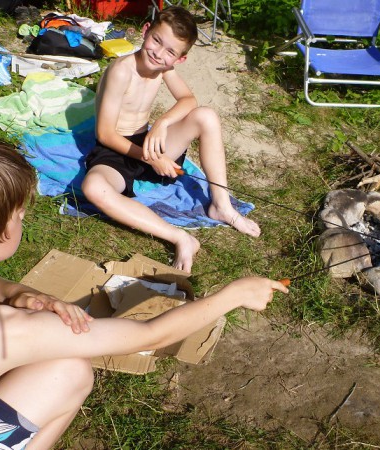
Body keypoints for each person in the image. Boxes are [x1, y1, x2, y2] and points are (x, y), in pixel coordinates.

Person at [0, 134, 287, 450]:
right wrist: (235, 294)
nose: (24, 216)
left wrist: (14, 292)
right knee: (71, 372)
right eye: (19, 214)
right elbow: (148, 335)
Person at [82, 6, 260, 274]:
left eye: (170, 52)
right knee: (94, 187)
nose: (158, 53)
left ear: (179, 59)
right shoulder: (122, 70)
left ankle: (221, 206)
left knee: (206, 116)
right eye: (156, 41)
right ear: (146, 31)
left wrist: (162, 123)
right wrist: (151, 158)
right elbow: (105, 134)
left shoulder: (163, 67)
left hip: (148, 142)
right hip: (117, 149)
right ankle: (180, 237)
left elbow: (189, 100)